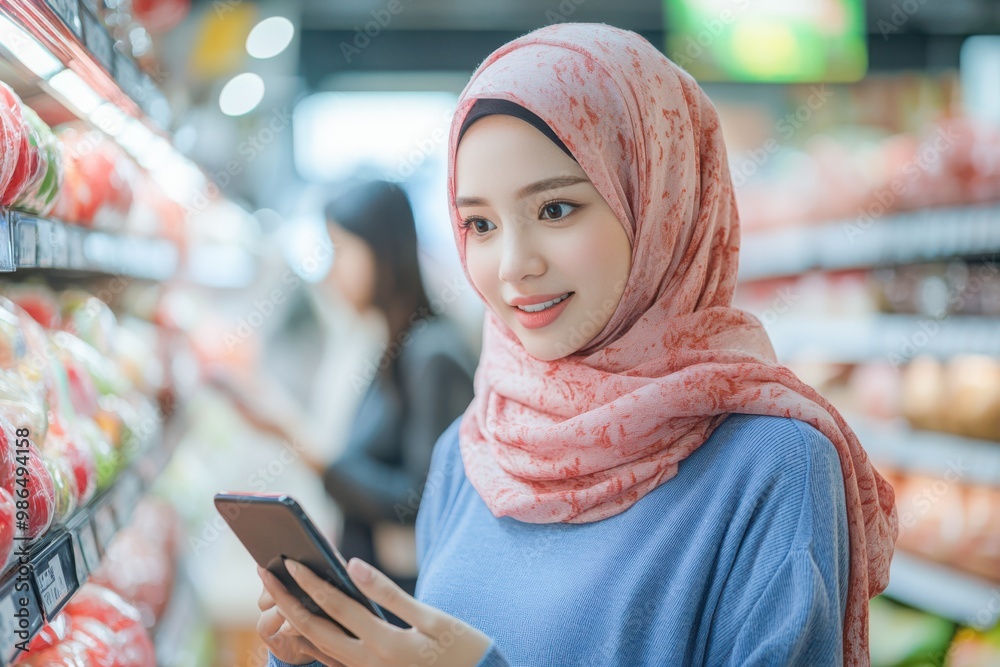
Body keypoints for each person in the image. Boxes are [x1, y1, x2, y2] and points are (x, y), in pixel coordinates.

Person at [256, 24, 898, 667]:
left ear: (661, 204)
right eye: (479, 223)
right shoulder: (476, 448)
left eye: (556, 210)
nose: (512, 266)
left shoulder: (773, 463)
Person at [217, 180, 475, 597]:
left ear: (382, 253)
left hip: (408, 603)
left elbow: (419, 500)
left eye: (339, 250)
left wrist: (293, 432)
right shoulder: (387, 344)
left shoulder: (431, 353)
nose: (331, 270)